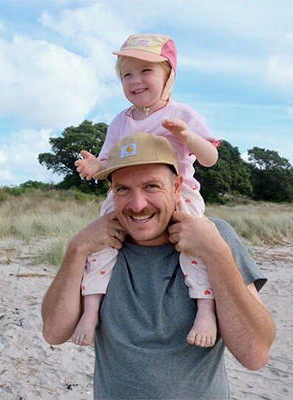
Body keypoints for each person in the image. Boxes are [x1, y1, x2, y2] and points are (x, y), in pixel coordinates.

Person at [42, 132, 275, 399]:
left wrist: (215, 253)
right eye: (123, 189)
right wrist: (76, 249)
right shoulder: (97, 246)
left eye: (151, 186)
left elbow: (255, 354)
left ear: (177, 187)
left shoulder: (215, 236)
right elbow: (54, 333)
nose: (137, 205)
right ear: (111, 192)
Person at [73, 33, 221, 347]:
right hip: (125, 193)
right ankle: (90, 309)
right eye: (127, 74)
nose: (135, 81)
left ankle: (206, 309)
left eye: (146, 71)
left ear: (169, 75)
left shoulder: (183, 114)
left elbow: (210, 158)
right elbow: (106, 162)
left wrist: (188, 137)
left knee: (196, 242)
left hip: (177, 194)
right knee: (102, 241)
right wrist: (94, 168)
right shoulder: (119, 122)